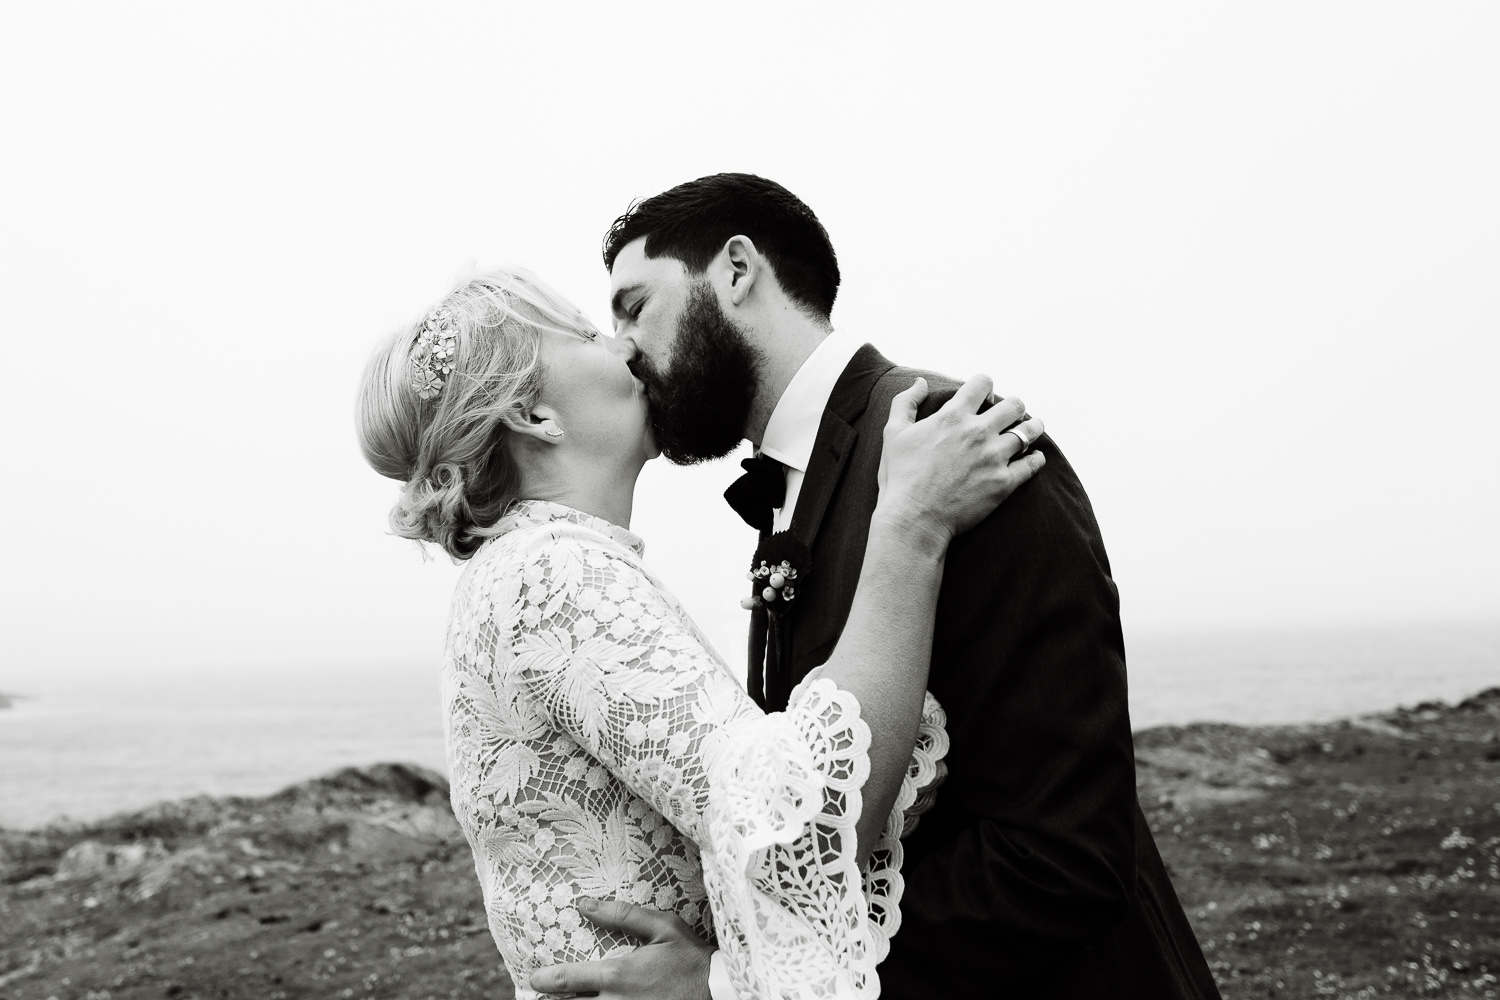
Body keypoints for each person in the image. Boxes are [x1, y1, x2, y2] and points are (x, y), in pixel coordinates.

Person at [540, 173, 1222, 998]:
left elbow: (1059, 857)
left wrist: (742, 982)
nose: (621, 346)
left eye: (633, 305)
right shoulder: (800, 480)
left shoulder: (947, 440)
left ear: (736, 269)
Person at [355, 267, 1048, 999]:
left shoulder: (525, 572)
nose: (626, 347)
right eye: (590, 332)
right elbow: (801, 824)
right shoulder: (552, 577)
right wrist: (912, 526)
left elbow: (752, 808)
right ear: (532, 414)